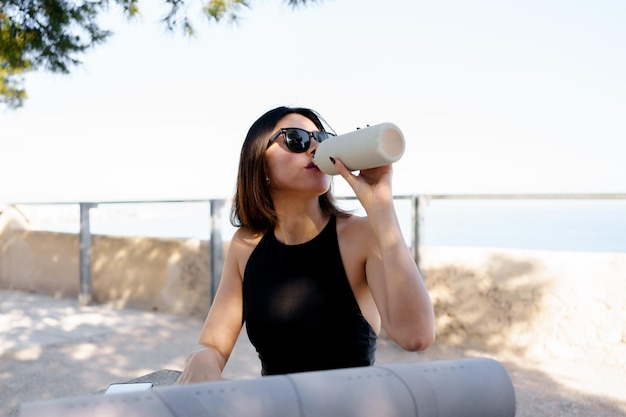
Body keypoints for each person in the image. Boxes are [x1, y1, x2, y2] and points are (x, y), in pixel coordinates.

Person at [176, 106, 435, 383]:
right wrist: (202, 356)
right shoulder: (247, 245)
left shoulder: (360, 235)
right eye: (296, 139)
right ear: (258, 161)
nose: (313, 147)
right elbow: (213, 344)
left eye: (322, 139)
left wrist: (380, 206)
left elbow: (416, 336)